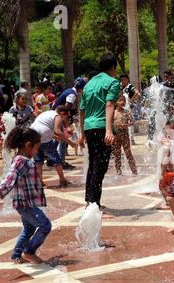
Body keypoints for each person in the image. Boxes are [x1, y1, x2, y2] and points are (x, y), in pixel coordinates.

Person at [0, 127, 51, 264]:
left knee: (29, 228)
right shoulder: (21, 161)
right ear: (28, 145)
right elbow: (9, 178)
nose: (37, 151)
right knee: (45, 225)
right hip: (25, 204)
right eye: (36, 147)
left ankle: (16, 255)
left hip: (25, 203)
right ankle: (29, 251)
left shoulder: (23, 159)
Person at [79, 53, 120, 211]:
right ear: (113, 67)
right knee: (100, 166)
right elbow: (110, 105)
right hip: (102, 127)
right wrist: (109, 130)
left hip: (89, 128)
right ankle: (94, 204)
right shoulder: (112, 82)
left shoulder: (89, 84)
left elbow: (82, 110)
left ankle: (90, 200)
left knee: (93, 164)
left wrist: (82, 133)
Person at [30, 106, 76, 188]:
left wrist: (54, 136)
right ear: (61, 113)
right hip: (44, 138)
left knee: (38, 160)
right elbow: (57, 130)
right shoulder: (57, 115)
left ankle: (39, 182)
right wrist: (70, 142)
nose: (63, 119)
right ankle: (62, 180)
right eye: (65, 116)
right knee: (55, 158)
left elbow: (44, 125)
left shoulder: (47, 113)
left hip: (32, 135)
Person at [52, 77, 87, 170]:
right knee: (63, 139)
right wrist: (67, 126)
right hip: (57, 117)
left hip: (55, 115)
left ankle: (52, 159)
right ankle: (61, 162)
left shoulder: (69, 90)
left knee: (57, 139)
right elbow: (65, 110)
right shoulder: (72, 95)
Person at [113, 96, 138, 175]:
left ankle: (134, 171)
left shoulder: (126, 112)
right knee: (117, 153)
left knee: (128, 152)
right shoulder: (113, 112)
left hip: (124, 134)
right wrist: (114, 125)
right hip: (116, 135)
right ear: (116, 102)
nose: (123, 102)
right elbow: (109, 123)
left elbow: (133, 122)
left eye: (124, 101)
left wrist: (126, 125)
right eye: (120, 100)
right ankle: (118, 171)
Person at [120, 74, 140, 145]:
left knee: (130, 122)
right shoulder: (122, 87)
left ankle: (131, 139)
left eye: (123, 80)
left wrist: (131, 100)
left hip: (129, 107)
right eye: (121, 80)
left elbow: (137, 93)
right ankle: (126, 138)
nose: (122, 81)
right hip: (123, 107)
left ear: (127, 80)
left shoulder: (130, 86)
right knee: (124, 122)